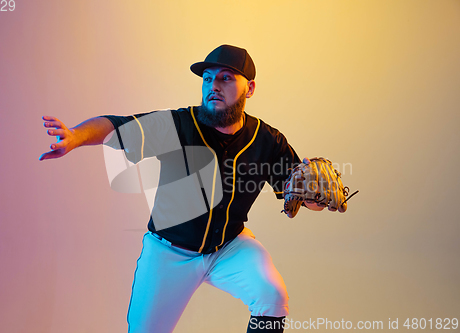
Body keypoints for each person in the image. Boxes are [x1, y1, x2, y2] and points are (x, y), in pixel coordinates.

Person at [40, 45, 302, 333]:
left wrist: (319, 199)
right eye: (207, 78)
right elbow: (118, 126)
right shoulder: (177, 125)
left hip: (228, 246)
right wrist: (76, 136)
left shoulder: (268, 140)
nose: (213, 86)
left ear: (249, 88)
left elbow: (300, 191)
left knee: (272, 296)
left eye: (225, 78)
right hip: (169, 253)